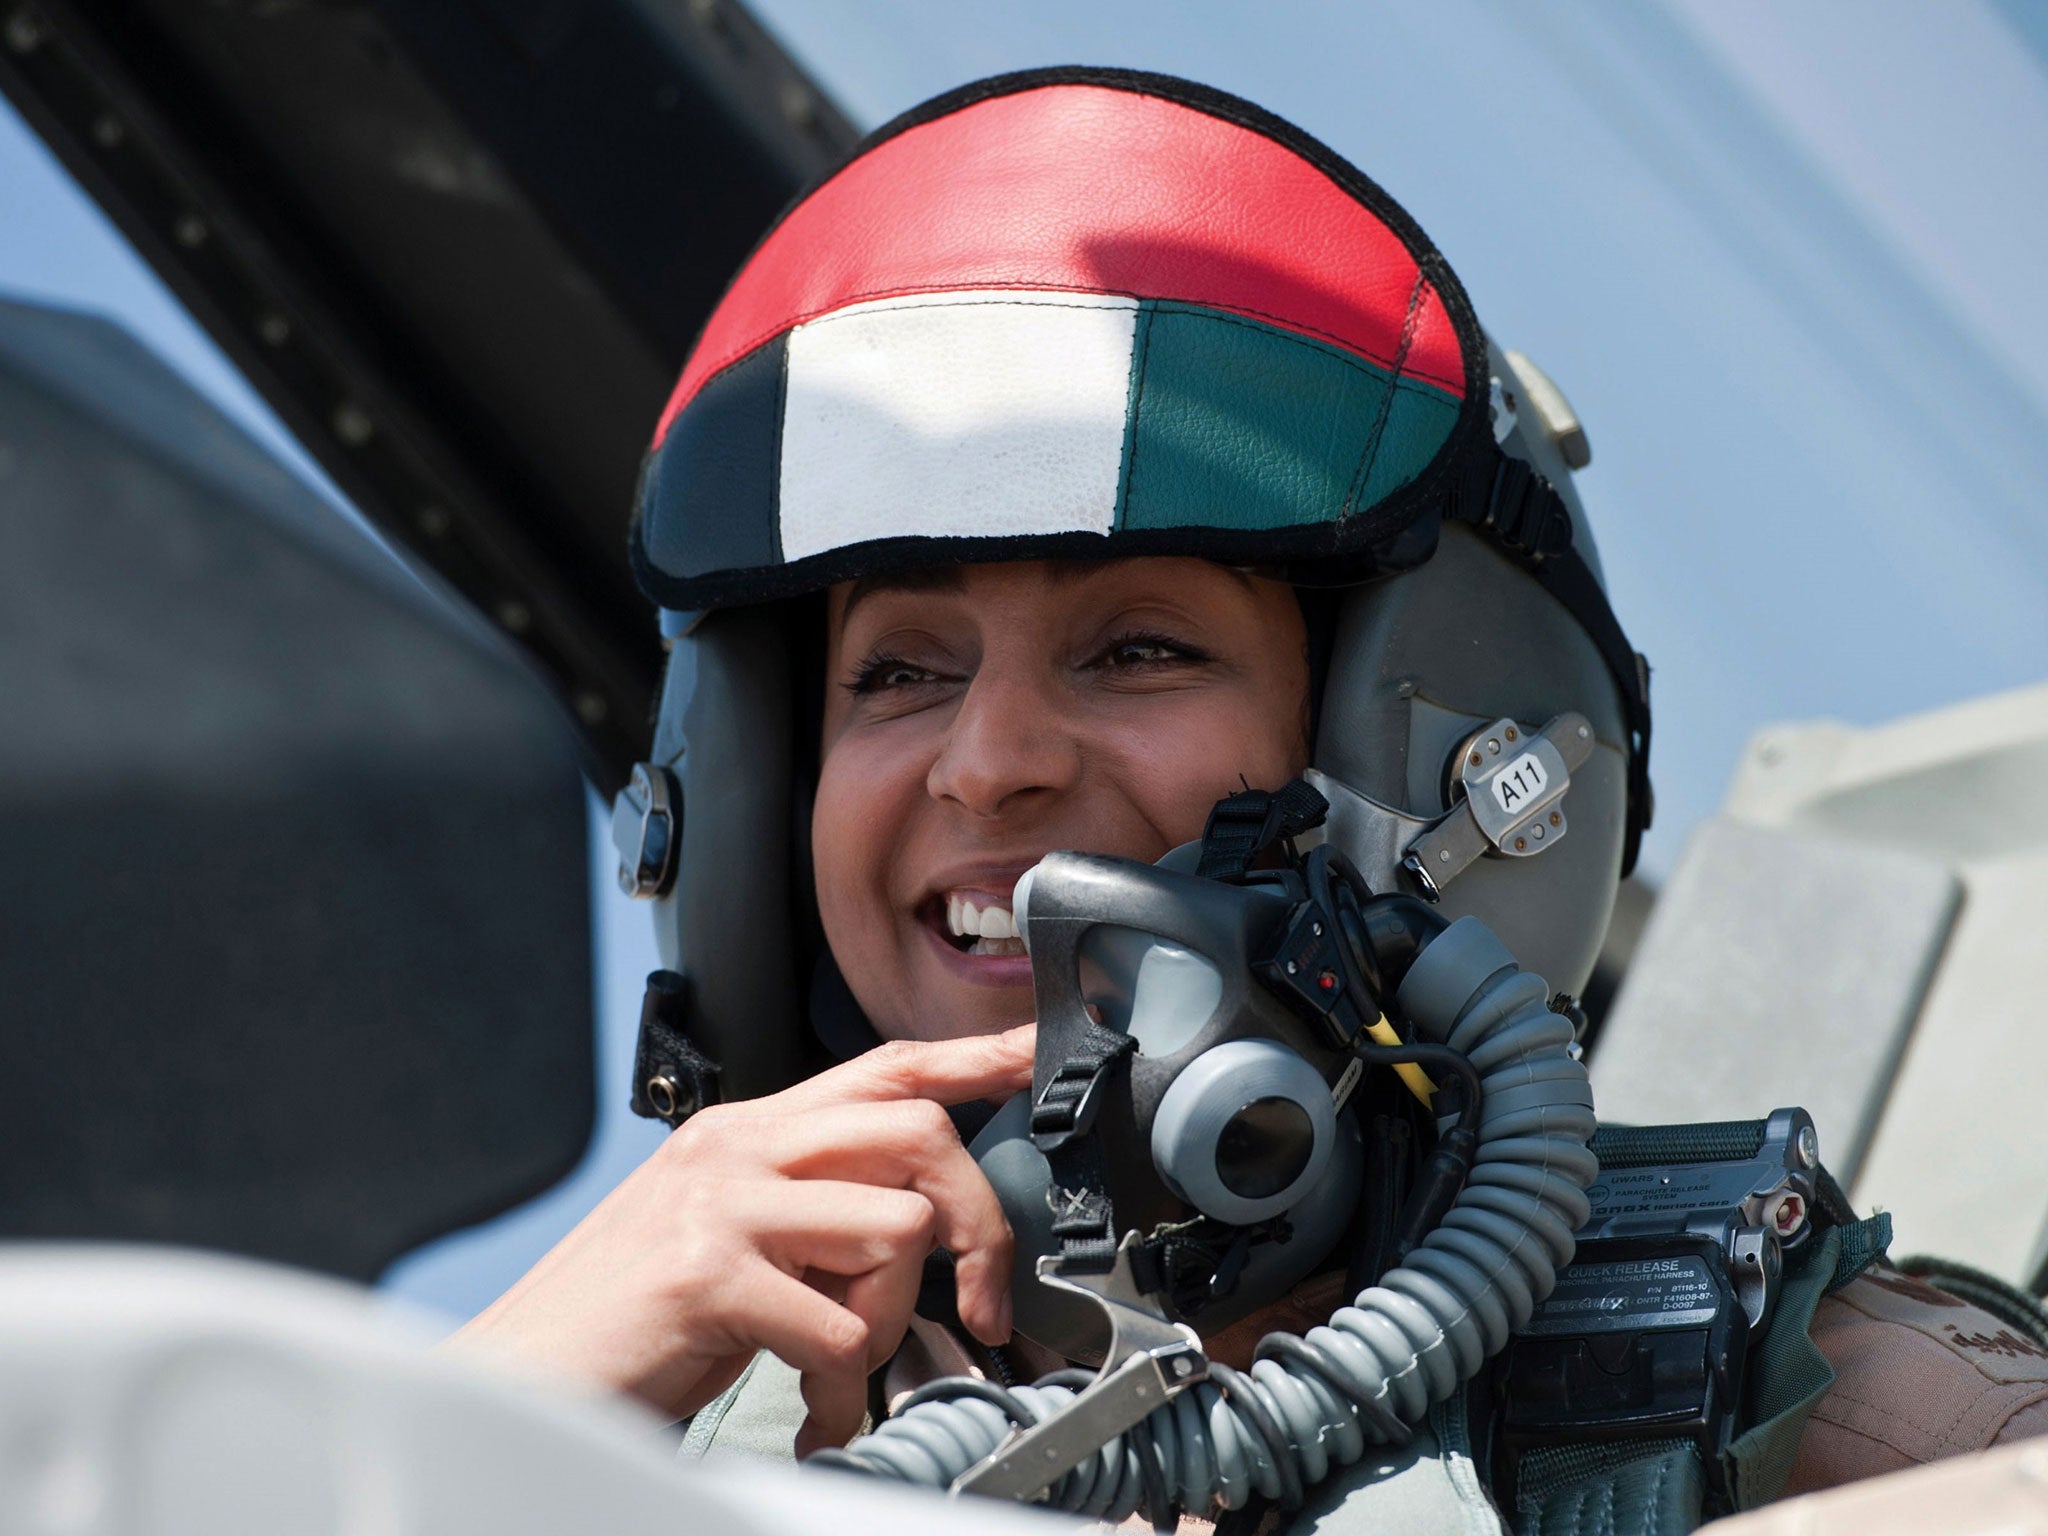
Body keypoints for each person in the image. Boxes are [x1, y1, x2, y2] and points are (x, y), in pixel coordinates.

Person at [451, 68, 2048, 1531]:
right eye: (899, 673)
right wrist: (489, 1415)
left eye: (1138, 649)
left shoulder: (1792, 1412)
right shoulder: (623, 1442)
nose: (988, 757)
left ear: (1436, 777)